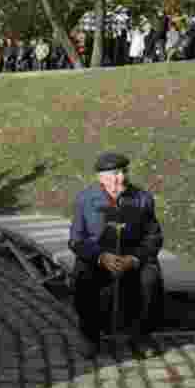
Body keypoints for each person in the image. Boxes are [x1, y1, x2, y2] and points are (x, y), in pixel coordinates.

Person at [69, 152, 163, 356]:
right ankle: (89, 335)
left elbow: (153, 237)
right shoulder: (85, 199)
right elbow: (77, 239)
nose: (121, 178)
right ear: (100, 177)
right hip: (99, 257)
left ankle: (140, 335)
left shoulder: (142, 198)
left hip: (132, 257)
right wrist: (101, 257)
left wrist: (134, 258)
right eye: (114, 173)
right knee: (83, 276)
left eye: (124, 172)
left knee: (150, 278)